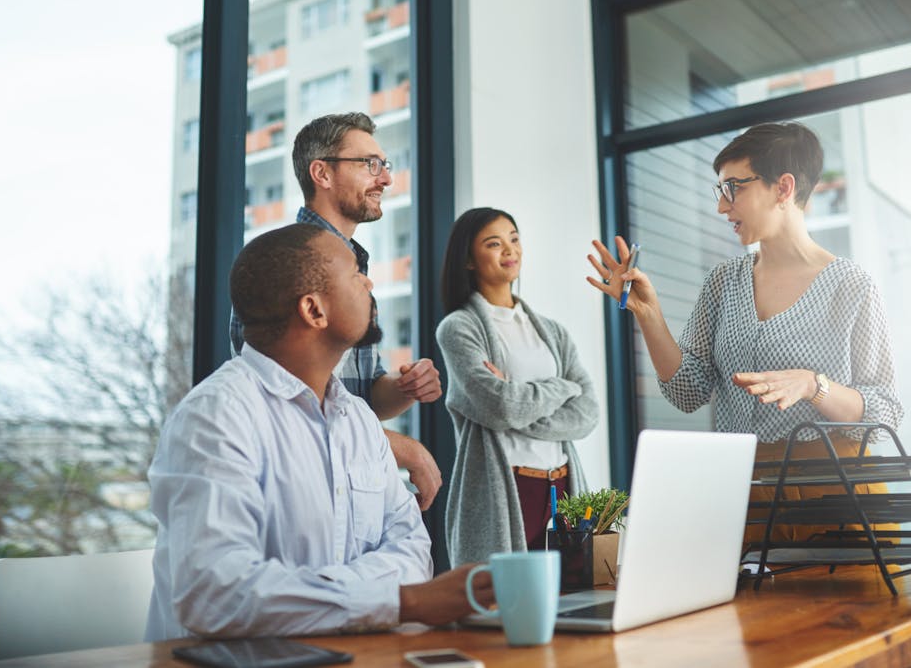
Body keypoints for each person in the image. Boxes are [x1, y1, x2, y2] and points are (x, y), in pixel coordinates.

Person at [146, 224, 493, 640]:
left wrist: (317, 596)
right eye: (354, 274)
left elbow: (413, 550)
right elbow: (216, 594)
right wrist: (402, 602)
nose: (368, 282)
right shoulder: (216, 416)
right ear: (314, 311)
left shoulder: (359, 419)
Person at [586, 122, 903, 542]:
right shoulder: (723, 282)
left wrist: (813, 385)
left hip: (835, 492)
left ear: (783, 188)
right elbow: (687, 391)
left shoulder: (851, 285)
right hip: (742, 493)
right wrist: (649, 314)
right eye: (720, 190)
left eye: (733, 188)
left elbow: (886, 409)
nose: (722, 207)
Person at [230, 112, 443, 511]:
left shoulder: (356, 270)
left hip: (352, 484)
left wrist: (403, 388)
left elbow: (364, 396)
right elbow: (285, 407)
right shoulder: (281, 265)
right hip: (302, 493)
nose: (385, 179)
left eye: (385, 165)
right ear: (322, 174)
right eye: (370, 164)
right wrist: (400, 448)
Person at [436, 207, 599, 566]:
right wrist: (562, 388)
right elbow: (501, 407)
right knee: (505, 607)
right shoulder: (459, 328)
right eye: (494, 243)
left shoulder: (553, 331)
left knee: (573, 605)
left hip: (563, 485)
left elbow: (587, 415)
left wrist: (518, 398)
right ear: (468, 260)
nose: (510, 250)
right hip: (508, 487)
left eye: (514, 238)